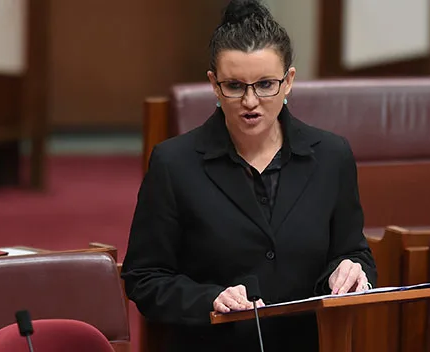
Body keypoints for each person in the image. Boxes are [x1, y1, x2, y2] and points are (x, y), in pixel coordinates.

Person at [121, 0, 377, 351]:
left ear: (288, 82)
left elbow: (355, 253)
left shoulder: (331, 156)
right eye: (235, 86)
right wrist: (209, 298)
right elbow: (144, 278)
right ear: (214, 84)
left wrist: (351, 271)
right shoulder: (174, 163)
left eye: (266, 84)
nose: (251, 101)